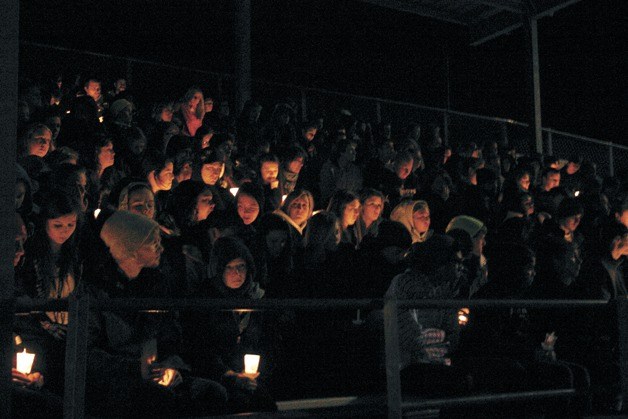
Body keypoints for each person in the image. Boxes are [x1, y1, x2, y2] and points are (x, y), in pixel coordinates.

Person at [83, 210, 227, 417]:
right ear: (129, 250)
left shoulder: (157, 285)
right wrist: (134, 368)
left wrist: (172, 366)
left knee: (213, 393)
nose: (160, 247)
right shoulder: (97, 292)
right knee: (160, 400)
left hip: (157, 373)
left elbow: (170, 334)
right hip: (118, 383)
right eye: (152, 242)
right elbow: (88, 352)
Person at [184, 237, 277, 414]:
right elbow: (200, 347)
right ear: (219, 270)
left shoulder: (257, 299)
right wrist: (229, 375)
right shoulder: (205, 301)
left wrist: (256, 373)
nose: (237, 273)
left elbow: (267, 341)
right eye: (230, 267)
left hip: (251, 378)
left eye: (241, 266)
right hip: (216, 375)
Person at [15, 190, 82, 396]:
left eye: (71, 225)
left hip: (66, 329)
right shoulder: (31, 258)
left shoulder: (75, 256)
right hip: (39, 332)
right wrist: (46, 323)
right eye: (58, 225)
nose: (65, 232)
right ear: (45, 223)